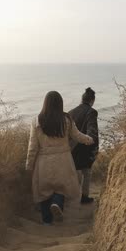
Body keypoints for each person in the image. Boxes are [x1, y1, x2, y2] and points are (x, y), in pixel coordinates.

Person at [26, 91, 94, 225]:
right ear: (60, 104)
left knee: (44, 191)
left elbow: (32, 146)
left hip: (44, 161)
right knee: (62, 187)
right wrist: (89, 139)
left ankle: (47, 221)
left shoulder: (36, 121)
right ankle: (57, 203)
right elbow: (77, 135)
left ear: (45, 103)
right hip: (63, 159)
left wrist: (29, 164)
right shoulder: (66, 119)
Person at [69, 87, 99, 204]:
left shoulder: (71, 112)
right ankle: (84, 197)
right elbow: (92, 128)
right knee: (87, 173)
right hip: (86, 147)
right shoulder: (92, 112)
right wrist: (93, 141)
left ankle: (73, 196)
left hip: (72, 148)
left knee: (75, 173)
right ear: (92, 100)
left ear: (82, 99)